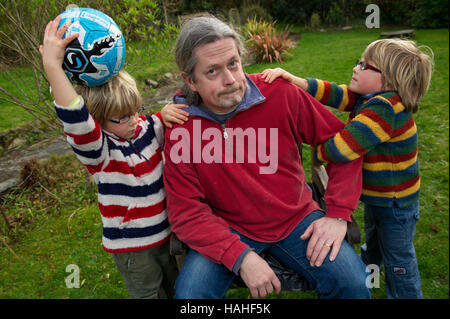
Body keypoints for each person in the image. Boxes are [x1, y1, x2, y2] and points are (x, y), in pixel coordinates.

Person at [163, 15, 370, 299]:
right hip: (224, 228)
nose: (231, 80)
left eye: (233, 64)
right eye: (212, 71)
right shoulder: (181, 126)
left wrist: (337, 214)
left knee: (353, 284)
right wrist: (241, 257)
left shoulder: (281, 94)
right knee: (190, 297)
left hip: (296, 219)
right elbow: (185, 211)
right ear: (191, 80)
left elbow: (347, 145)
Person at [262, 38, 434, 298]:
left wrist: (317, 151)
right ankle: (363, 271)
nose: (356, 68)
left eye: (365, 66)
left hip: (395, 204)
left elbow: (344, 147)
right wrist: (294, 80)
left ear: (388, 79)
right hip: (380, 198)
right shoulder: (369, 98)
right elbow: (336, 93)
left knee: (400, 262)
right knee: (375, 241)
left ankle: (405, 292)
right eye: (358, 62)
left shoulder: (385, 109)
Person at [40, 16, 188, 299]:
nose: (134, 121)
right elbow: (76, 118)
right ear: (99, 121)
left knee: (180, 290)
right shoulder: (99, 151)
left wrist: (164, 114)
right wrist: (52, 67)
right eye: (122, 118)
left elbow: (153, 120)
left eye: (136, 110)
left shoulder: (145, 127)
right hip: (134, 249)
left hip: (170, 237)